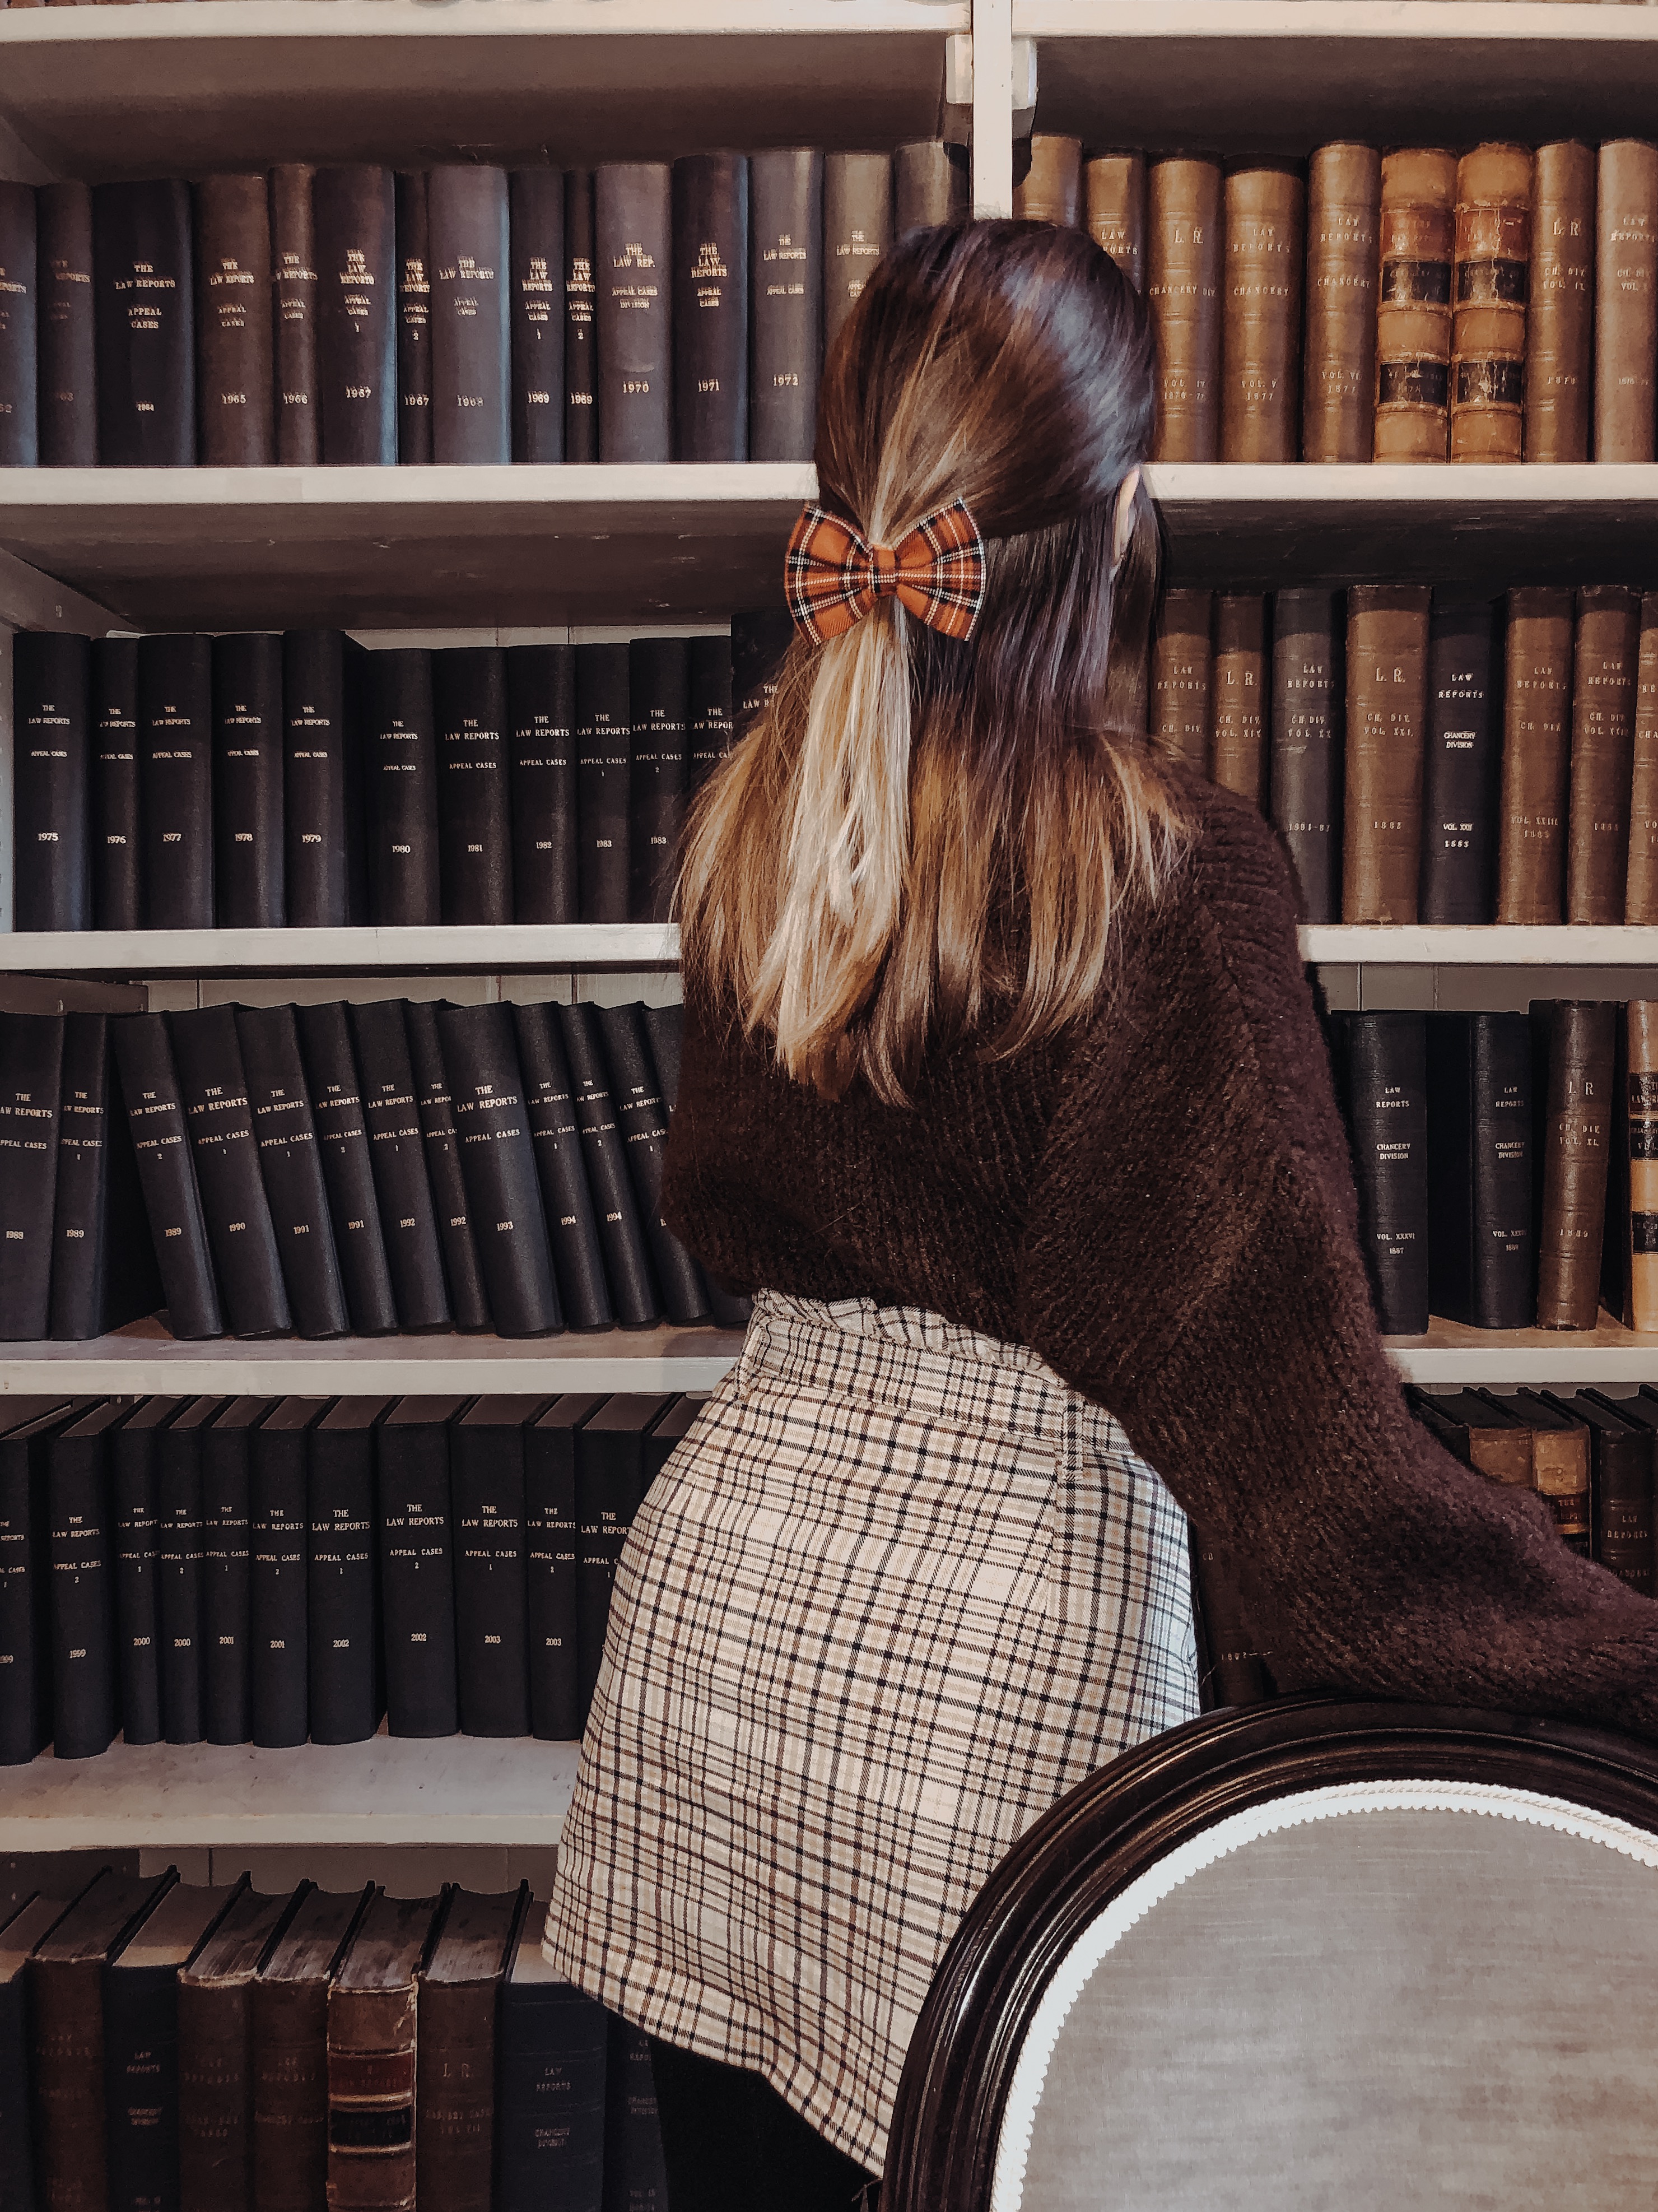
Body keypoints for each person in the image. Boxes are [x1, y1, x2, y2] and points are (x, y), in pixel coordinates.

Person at [542, 219, 1658, 2208]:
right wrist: (1621, 1659)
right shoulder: (1166, 875)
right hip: (995, 1693)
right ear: (1122, 514)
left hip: (716, 1649)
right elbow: (1322, 1491)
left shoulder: (752, 832)